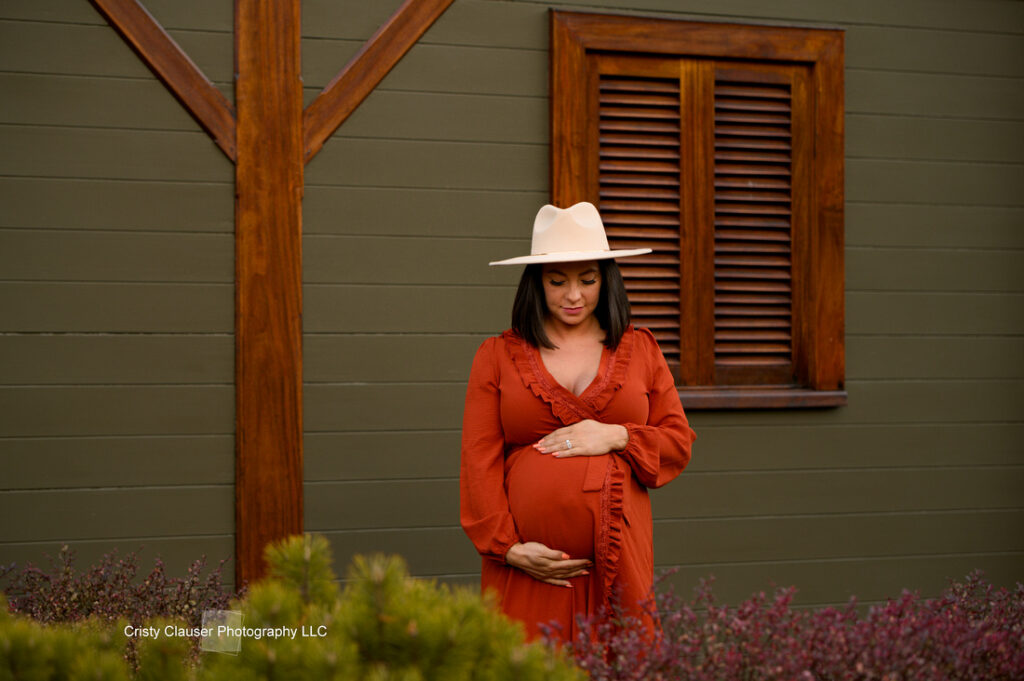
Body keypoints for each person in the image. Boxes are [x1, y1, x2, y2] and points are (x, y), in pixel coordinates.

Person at [459, 202, 696, 642]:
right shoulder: (496, 356)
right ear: (535, 283)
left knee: (622, 658)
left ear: (606, 279)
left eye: (587, 280)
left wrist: (616, 434)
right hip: (530, 569)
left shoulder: (640, 349)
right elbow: (479, 459)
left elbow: (677, 442)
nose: (573, 296)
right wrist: (508, 548)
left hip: (620, 559)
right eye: (557, 281)